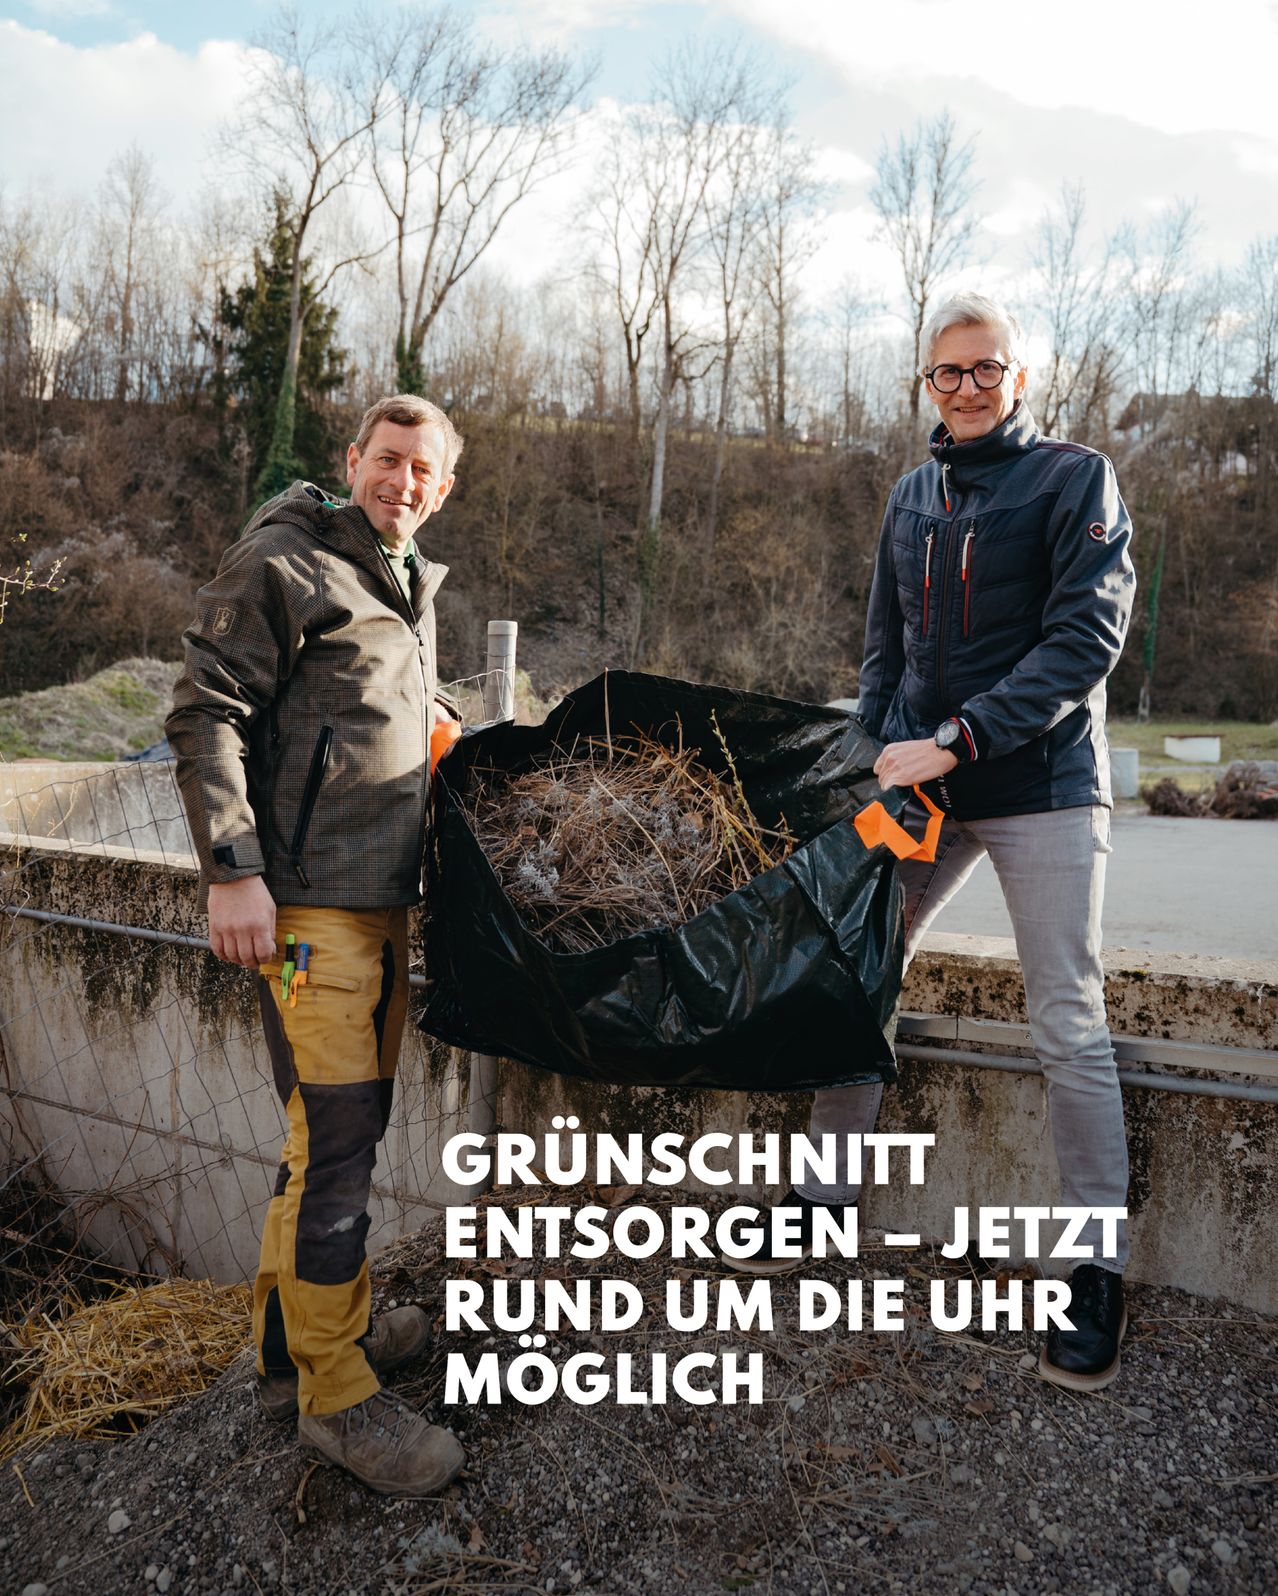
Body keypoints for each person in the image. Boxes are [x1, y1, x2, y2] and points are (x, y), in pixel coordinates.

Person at [728, 292, 1137, 1393]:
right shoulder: (911, 493)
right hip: (922, 790)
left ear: (1020, 378)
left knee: (1065, 1012)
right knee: (858, 970)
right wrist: (875, 749)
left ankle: (1094, 1261)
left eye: (985, 369)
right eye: (946, 372)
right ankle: (821, 1201)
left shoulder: (1073, 478)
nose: (965, 387)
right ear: (927, 384)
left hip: (1040, 782)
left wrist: (960, 737)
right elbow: (885, 648)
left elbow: (1084, 641)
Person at [166, 394, 467, 1493]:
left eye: (424, 470)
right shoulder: (289, 563)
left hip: (379, 903)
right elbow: (206, 711)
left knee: (322, 1134)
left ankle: (289, 1342)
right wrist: (233, 869)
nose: (404, 482)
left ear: (444, 485)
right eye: (388, 461)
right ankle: (337, 1401)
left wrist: (436, 729)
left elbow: (348, 716)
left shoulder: (398, 576)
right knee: (339, 1145)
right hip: (305, 917)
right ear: (354, 461)